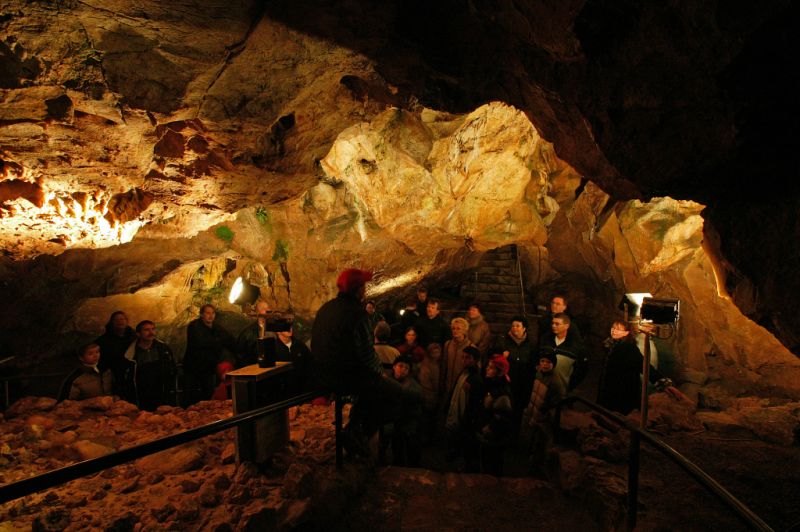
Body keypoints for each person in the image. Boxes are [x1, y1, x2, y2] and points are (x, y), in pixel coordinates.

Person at [311, 268, 401, 457]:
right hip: (346, 378)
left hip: (321, 376)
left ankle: (355, 426)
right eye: (364, 286)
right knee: (394, 393)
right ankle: (357, 431)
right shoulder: (358, 314)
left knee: (374, 389)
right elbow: (367, 354)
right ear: (359, 289)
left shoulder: (326, 309)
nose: (366, 290)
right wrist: (380, 373)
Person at [597, 321, 676, 415]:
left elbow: (642, 364)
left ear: (626, 333)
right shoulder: (611, 346)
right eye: (613, 328)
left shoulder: (629, 348)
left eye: (618, 329)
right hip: (610, 387)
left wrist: (660, 381)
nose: (614, 331)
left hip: (622, 391)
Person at [520, 351, 565, 477]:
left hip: (542, 416)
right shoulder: (539, 374)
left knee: (540, 442)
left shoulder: (555, 382)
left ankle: (536, 469)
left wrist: (545, 412)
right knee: (532, 436)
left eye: (548, 362)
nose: (545, 364)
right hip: (535, 410)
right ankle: (529, 459)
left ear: (553, 364)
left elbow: (556, 402)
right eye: (542, 361)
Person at [183, 304, 236, 406]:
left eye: (212, 313)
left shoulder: (216, 327)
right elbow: (201, 342)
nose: (210, 316)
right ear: (202, 314)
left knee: (208, 394)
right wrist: (218, 342)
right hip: (193, 367)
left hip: (207, 367)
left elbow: (229, 340)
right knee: (190, 395)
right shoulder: (194, 326)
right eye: (207, 313)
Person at [495, 316, 536, 436]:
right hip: (506, 384)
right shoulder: (503, 341)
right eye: (513, 326)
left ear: (524, 329)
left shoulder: (530, 345)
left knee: (517, 412)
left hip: (522, 385)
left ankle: (513, 437)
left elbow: (532, 364)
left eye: (518, 326)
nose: (514, 328)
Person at [444, 345, 483, 472]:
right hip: (457, 415)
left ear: (475, 360)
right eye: (463, 357)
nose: (464, 360)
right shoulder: (464, 373)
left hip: (464, 419)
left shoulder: (475, 379)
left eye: (468, 358)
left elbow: (473, 404)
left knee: (465, 445)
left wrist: (466, 420)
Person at [122, 320, 176, 410]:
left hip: (162, 394)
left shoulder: (163, 348)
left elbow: (171, 367)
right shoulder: (130, 353)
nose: (151, 332)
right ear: (138, 334)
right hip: (142, 396)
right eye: (146, 330)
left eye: (153, 329)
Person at [476, 354, 513, 476]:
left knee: (491, 464)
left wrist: (488, 429)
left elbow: (501, 418)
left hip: (493, 438)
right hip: (489, 435)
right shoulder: (492, 385)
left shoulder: (501, 393)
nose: (487, 369)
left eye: (491, 367)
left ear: (499, 372)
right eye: (488, 366)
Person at [388, 354, 423, 467]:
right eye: (400, 366)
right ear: (394, 366)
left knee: (410, 448)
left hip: (408, 423)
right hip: (395, 423)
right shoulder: (389, 380)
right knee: (397, 448)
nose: (403, 370)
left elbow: (414, 395)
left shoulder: (413, 385)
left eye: (406, 368)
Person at [538, 313, 588, 391]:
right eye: (552, 323)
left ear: (566, 326)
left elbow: (581, 371)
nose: (553, 326)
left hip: (560, 390)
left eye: (557, 324)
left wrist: (569, 386)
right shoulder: (545, 340)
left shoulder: (575, 347)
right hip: (541, 387)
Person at [95, 310, 136, 396]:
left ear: (127, 321)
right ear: (111, 322)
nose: (120, 321)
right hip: (113, 377)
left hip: (133, 376)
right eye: (116, 320)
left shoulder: (135, 338)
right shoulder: (102, 341)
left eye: (122, 319)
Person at [274, 324, 313, 395]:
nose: (290, 329)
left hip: (302, 392)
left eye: (290, 326)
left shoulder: (300, 345)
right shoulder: (273, 349)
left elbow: (310, 367)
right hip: (283, 395)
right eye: (286, 327)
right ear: (278, 331)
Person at [440, 317, 473, 398]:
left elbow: (473, 370)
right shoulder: (448, 345)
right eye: (453, 328)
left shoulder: (470, 347)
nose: (455, 331)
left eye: (458, 329)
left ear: (464, 331)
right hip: (447, 386)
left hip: (461, 387)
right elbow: (444, 365)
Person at [417, 342, 442, 443]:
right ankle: (426, 438)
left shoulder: (438, 363)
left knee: (432, 418)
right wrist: (434, 392)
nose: (436, 355)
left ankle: (430, 437)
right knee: (427, 418)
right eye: (433, 352)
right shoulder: (426, 365)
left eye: (438, 352)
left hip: (434, 396)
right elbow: (425, 382)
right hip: (428, 396)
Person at [236, 300, 273, 367]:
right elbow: (241, 355)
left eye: (268, 308)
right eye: (263, 309)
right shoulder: (248, 333)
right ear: (257, 312)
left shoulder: (275, 328)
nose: (267, 310)